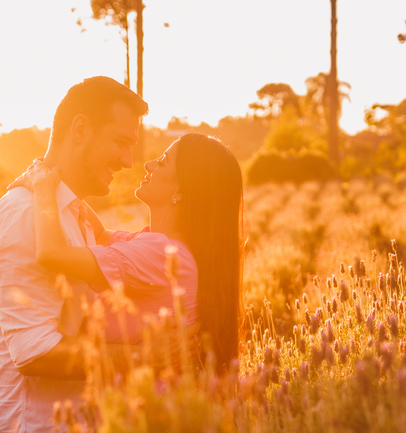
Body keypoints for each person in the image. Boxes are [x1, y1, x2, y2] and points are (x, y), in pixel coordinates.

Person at [0, 76, 147, 433]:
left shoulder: (71, 217)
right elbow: (34, 352)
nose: (128, 161)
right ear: (80, 129)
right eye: (121, 141)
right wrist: (141, 363)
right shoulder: (27, 214)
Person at [13, 132, 244, 372]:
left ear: (182, 190)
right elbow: (99, 232)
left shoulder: (163, 254)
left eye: (162, 161)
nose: (148, 164)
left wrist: (42, 187)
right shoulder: (162, 246)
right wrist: (55, 174)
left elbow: (52, 253)